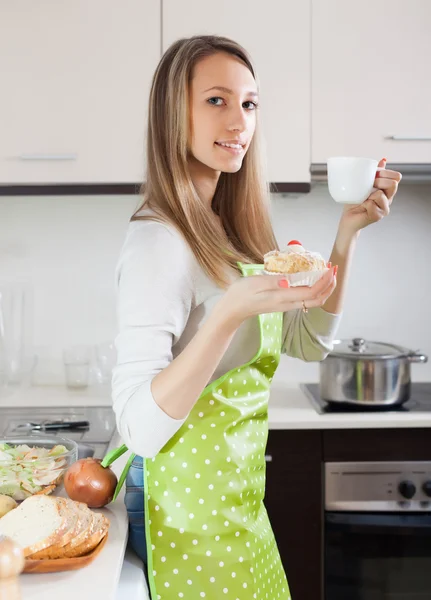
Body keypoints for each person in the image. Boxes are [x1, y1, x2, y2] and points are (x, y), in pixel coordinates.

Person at [111, 35, 401, 600]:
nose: (239, 120)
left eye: (249, 103)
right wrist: (230, 314)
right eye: (216, 100)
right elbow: (140, 430)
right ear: (174, 114)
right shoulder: (158, 241)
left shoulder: (224, 228)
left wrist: (348, 233)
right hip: (181, 510)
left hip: (234, 502)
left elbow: (308, 343)